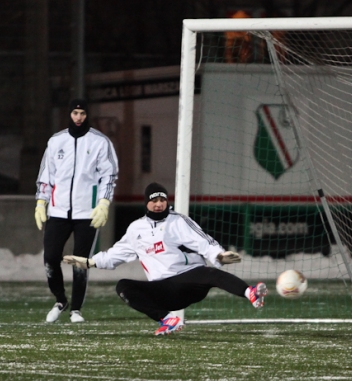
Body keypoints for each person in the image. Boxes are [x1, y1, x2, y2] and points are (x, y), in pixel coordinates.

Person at [62, 182, 268, 336]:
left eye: (162, 200)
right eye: (154, 200)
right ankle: (168, 319)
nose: (159, 204)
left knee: (211, 273)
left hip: (189, 280)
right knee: (124, 286)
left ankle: (250, 293)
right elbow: (117, 253)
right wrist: (90, 262)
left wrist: (219, 255)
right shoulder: (136, 229)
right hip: (164, 289)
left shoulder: (178, 221)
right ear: (147, 203)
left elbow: (201, 241)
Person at [35, 98, 119, 324]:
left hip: (87, 213)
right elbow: (46, 175)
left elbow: (109, 176)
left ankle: (76, 310)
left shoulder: (100, 142)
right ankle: (60, 300)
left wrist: (103, 203)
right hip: (59, 212)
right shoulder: (56, 141)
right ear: (69, 114)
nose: (79, 117)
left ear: (87, 115)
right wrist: (41, 202)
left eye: (82, 113)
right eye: (75, 113)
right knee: (50, 257)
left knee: (81, 262)